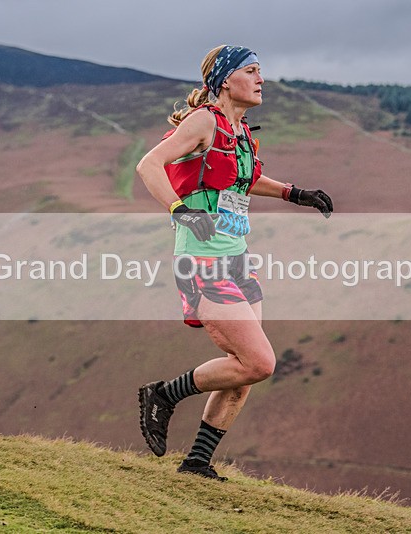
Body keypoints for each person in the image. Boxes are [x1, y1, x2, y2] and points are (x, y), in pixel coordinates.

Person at [135, 45, 333, 480]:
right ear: (226, 79)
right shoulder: (203, 121)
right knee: (260, 362)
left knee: (242, 373)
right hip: (201, 259)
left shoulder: (239, 130)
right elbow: (149, 165)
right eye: (252, 70)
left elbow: (242, 179)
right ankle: (164, 395)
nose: (262, 79)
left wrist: (293, 193)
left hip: (238, 260)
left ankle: (197, 463)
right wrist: (178, 210)